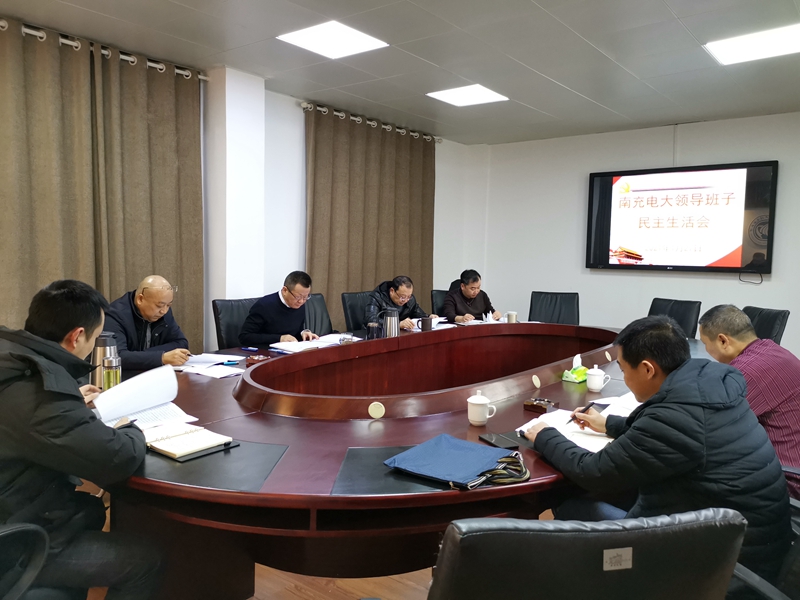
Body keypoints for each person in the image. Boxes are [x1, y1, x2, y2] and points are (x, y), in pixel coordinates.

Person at [524, 315, 792, 583]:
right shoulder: (708, 386)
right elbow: (676, 435)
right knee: (621, 493)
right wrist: (608, 424)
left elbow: (593, 471)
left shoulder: (674, 417)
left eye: (623, 370)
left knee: (572, 506)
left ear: (647, 369)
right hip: (750, 545)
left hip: (723, 570)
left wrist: (544, 435)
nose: (624, 378)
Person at [0, 280, 163, 599]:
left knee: (90, 511)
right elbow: (117, 458)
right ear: (76, 337)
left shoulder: (12, 360)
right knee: (145, 561)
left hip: (13, 505)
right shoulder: (42, 399)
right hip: (15, 542)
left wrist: (70, 397)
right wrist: (130, 424)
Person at [699, 304, 800, 499]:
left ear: (723, 340)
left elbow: (707, 426)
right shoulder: (772, 350)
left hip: (787, 479)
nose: (706, 350)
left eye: (705, 343)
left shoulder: (746, 371)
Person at [105, 275, 190, 370]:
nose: (164, 311)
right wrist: (161, 358)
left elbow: (181, 342)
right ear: (140, 299)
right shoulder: (115, 315)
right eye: (159, 305)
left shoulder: (164, 312)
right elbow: (117, 357)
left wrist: (144, 356)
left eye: (168, 305)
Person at [239, 271, 319, 347]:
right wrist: (279, 338)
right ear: (285, 290)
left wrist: (303, 333)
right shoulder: (264, 306)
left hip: (290, 351)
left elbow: (295, 330)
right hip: (266, 352)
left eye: (305, 297)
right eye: (298, 297)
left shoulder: (299, 304)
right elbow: (245, 337)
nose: (301, 301)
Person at [365, 275, 437, 330]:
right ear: (392, 291)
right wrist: (397, 324)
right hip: (377, 334)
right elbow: (371, 320)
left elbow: (418, 313)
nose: (405, 300)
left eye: (409, 296)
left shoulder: (410, 299)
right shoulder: (377, 297)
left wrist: (428, 317)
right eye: (402, 297)